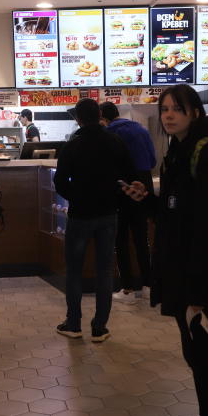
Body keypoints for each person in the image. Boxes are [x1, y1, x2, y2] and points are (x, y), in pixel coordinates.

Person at [125, 85, 208, 416]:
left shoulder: (206, 154)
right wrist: (147, 200)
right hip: (181, 270)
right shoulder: (178, 153)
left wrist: (198, 291)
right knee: (195, 352)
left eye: (177, 108)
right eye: (164, 109)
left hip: (200, 276)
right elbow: (174, 215)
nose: (169, 115)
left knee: (201, 353)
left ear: (194, 112)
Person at [53, 98, 136, 343]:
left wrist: (76, 197)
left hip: (80, 215)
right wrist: (114, 195)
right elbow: (129, 176)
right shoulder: (115, 141)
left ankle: (74, 323)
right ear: (99, 114)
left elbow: (59, 183)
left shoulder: (72, 146)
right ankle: (100, 327)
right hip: (109, 214)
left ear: (78, 119)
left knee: (75, 271)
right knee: (104, 271)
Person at [100, 102, 157, 305]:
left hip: (124, 188)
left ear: (103, 119)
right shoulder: (141, 129)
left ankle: (128, 290)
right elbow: (152, 161)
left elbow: (109, 166)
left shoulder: (110, 134)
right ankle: (149, 287)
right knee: (142, 238)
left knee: (121, 238)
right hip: (144, 185)